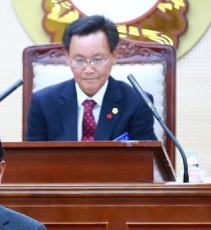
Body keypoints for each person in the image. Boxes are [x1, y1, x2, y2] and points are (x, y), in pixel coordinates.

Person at [25, 14, 157, 142]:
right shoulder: (43, 103)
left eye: (98, 59)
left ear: (114, 55)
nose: (88, 69)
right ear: (68, 58)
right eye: (79, 60)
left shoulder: (138, 103)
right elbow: (33, 156)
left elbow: (145, 155)